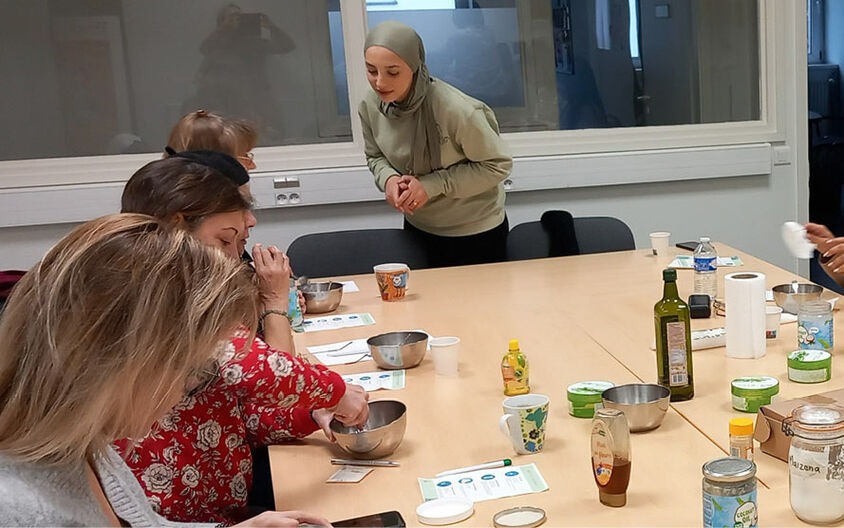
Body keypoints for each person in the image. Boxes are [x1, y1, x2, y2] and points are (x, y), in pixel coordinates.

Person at [0, 213, 330, 527]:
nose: (183, 392)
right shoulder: (27, 511)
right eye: (190, 373)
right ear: (116, 363)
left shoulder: (84, 442)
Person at [118, 155, 369, 524]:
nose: (234, 259)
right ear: (176, 227)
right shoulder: (149, 297)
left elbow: (232, 415)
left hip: (220, 512)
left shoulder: (197, 293)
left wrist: (309, 413)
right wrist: (334, 392)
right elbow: (247, 365)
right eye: (224, 240)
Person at [358, 20, 513, 268]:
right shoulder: (370, 105)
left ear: (415, 67)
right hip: (418, 227)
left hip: (476, 233)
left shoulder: (457, 110)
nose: (380, 83)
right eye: (371, 70)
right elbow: (375, 156)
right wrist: (388, 179)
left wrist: (432, 185)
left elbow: (497, 165)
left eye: (393, 72)